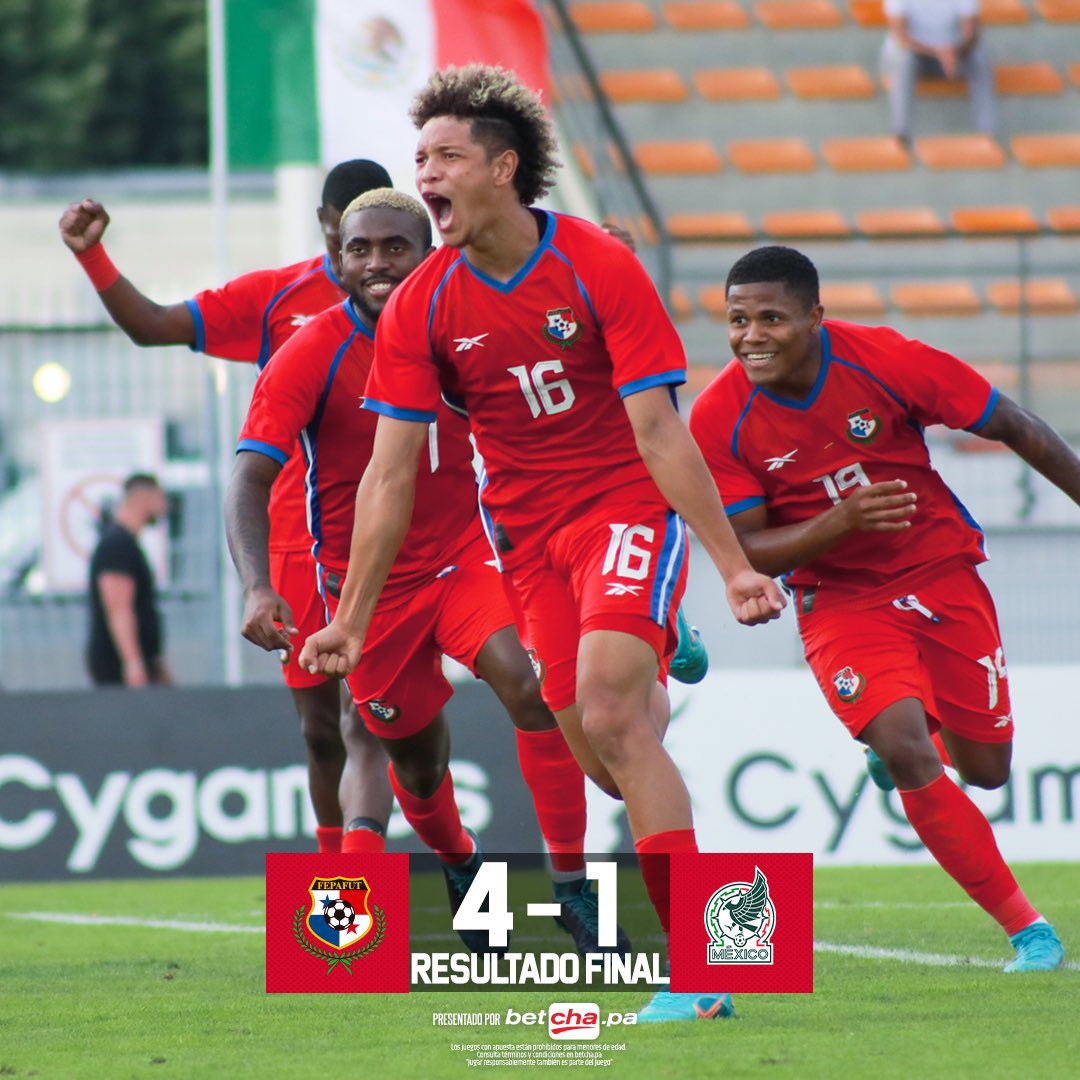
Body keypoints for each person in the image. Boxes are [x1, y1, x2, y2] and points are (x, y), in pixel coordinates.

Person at [298, 64, 785, 1022]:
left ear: (503, 167)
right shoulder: (422, 305)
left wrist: (732, 565)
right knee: (608, 753)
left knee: (607, 715)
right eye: (419, 157)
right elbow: (390, 476)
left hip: (621, 511)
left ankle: (697, 968)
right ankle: (651, 657)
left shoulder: (598, 263)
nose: (424, 174)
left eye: (444, 156)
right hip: (526, 545)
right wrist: (348, 621)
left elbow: (658, 430)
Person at [227, 188, 627, 956]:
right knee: (415, 762)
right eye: (359, 249)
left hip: (466, 557)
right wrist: (255, 583)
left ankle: (570, 885)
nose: (376, 262)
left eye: (395, 247)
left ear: (431, 250)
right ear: (337, 260)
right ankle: (460, 863)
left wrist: (596, 277)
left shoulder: (467, 323)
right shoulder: (308, 353)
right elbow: (247, 478)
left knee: (529, 682)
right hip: (367, 590)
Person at [689, 244, 1070, 974]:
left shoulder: (889, 360)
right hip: (840, 601)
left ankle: (905, 735)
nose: (751, 336)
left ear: (816, 318)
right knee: (904, 743)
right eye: (737, 320)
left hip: (941, 573)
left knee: (988, 771)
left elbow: (1015, 426)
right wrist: (839, 525)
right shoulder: (718, 418)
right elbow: (745, 550)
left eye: (772, 318)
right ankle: (1028, 930)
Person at [59, 161, 395, 854]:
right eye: (343, 242)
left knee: (375, 720)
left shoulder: (430, 296)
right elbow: (153, 325)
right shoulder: (280, 299)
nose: (356, 261)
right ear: (326, 230)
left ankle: (352, 913)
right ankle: (345, 876)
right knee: (320, 730)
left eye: (374, 242)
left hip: (396, 541)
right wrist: (92, 256)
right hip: (299, 550)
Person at [87, 473, 173, 687]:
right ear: (143, 499)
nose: (164, 506)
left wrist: (155, 663)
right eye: (160, 498)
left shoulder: (126, 544)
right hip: (118, 671)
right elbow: (118, 609)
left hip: (136, 666)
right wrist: (133, 664)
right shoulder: (117, 545)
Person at [880, 0, 996, 142]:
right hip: (914, 55)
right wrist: (938, 53)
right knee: (903, 59)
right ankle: (901, 132)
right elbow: (900, 37)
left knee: (979, 59)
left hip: (950, 55)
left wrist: (954, 53)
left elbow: (972, 33)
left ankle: (988, 133)